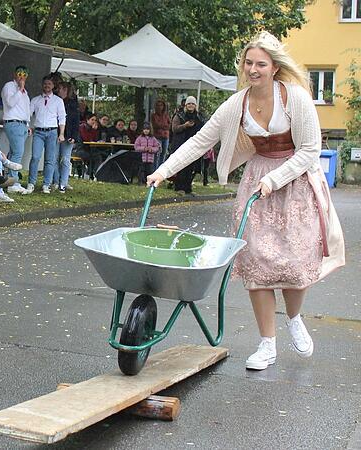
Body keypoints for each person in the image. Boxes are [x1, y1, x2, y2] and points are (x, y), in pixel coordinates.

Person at [146, 31, 345, 371]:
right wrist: (162, 171)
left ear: (274, 68)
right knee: (256, 263)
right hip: (256, 185)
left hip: (294, 183)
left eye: (260, 64)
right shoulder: (237, 103)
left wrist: (275, 179)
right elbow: (200, 141)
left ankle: (294, 318)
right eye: (248, 63)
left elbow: (310, 149)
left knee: (294, 262)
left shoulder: (294, 97)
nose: (253, 69)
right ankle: (267, 343)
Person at [26, 75, 66, 194]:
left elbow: (62, 118)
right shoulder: (35, 100)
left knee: (50, 160)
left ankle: (46, 184)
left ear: (53, 86)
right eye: (45, 84)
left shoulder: (58, 101)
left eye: (49, 84)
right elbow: (28, 114)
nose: (47, 86)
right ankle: (31, 183)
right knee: (35, 157)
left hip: (52, 132)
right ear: (42, 85)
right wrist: (29, 127)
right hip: (38, 131)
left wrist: (62, 133)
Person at [1, 66, 31, 194]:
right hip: (13, 122)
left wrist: (28, 125)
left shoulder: (25, 92)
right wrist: (20, 89)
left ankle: (9, 179)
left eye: (24, 74)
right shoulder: (9, 86)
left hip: (22, 124)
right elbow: (10, 103)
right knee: (18, 152)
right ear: (15, 74)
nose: (22, 77)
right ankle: (13, 183)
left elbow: (26, 109)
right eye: (19, 74)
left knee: (14, 152)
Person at [168, 96, 206, 195]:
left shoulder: (199, 116)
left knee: (191, 167)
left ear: (195, 105)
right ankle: (179, 187)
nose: (190, 105)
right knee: (181, 166)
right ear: (186, 105)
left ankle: (188, 188)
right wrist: (185, 126)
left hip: (194, 145)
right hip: (180, 144)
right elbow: (174, 129)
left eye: (192, 104)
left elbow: (204, 128)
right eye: (189, 103)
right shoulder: (179, 115)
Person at [54, 81, 80, 193]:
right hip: (55, 133)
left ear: (65, 90)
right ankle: (55, 181)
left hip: (68, 135)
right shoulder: (54, 101)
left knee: (65, 159)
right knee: (53, 159)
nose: (58, 90)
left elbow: (75, 121)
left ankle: (63, 183)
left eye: (60, 88)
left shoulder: (73, 104)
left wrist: (74, 136)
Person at [151, 99, 171, 169]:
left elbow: (169, 125)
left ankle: (160, 171)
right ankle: (155, 171)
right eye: (158, 105)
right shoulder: (153, 115)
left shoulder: (166, 115)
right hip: (157, 136)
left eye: (161, 105)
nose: (160, 107)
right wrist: (164, 126)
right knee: (157, 154)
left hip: (166, 136)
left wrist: (162, 126)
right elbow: (155, 125)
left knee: (164, 154)